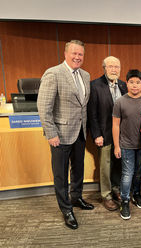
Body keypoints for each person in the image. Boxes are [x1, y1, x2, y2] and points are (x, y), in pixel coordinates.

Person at [37, 40, 94, 230]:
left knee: (78, 169)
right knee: (61, 174)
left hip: (79, 132)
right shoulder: (53, 73)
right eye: (74, 53)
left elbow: (82, 105)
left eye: (81, 54)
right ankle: (66, 208)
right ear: (65, 53)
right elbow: (44, 107)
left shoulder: (85, 75)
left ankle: (76, 198)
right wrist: (51, 133)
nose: (78, 57)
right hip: (59, 135)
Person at [88, 56, 127, 211]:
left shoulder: (124, 85)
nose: (114, 69)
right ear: (104, 68)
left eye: (116, 66)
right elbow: (92, 114)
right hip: (104, 133)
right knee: (105, 166)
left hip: (122, 135)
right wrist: (96, 134)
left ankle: (116, 188)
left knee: (118, 163)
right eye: (110, 66)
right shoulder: (95, 86)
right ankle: (106, 195)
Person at [112, 69, 141, 220]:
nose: (135, 85)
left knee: (138, 171)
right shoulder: (120, 101)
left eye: (138, 82)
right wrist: (116, 146)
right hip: (126, 145)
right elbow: (115, 125)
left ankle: (137, 194)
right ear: (126, 83)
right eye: (131, 82)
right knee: (127, 174)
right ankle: (125, 200)